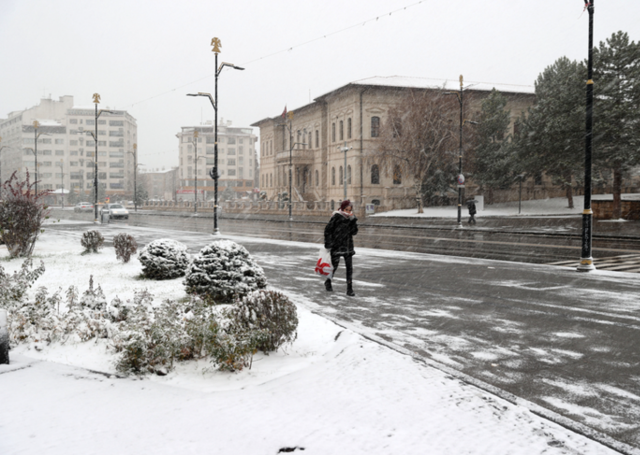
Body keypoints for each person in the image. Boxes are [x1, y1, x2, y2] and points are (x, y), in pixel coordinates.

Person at [324, 199, 358, 296]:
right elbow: (327, 230)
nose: (348, 212)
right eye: (346, 210)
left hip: (348, 247)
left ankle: (349, 288)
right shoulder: (336, 217)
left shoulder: (351, 219)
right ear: (342, 208)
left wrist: (353, 221)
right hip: (337, 246)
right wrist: (329, 244)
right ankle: (328, 281)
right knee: (334, 266)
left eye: (350, 210)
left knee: (349, 268)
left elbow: (354, 232)